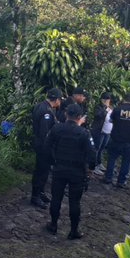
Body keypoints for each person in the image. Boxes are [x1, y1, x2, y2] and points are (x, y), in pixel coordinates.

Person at [44, 103, 96, 240]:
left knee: (56, 198)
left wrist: (52, 161)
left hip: (59, 168)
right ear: (80, 117)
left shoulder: (57, 128)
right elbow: (92, 155)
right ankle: (73, 231)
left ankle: (53, 225)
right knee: (75, 202)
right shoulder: (84, 133)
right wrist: (90, 169)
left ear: (66, 114)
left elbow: (47, 146)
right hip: (77, 172)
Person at [30, 88, 63, 208]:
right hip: (44, 146)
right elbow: (45, 133)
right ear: (57, 99)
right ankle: (35, 196)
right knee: (41, 171)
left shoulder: (42, 106)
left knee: (44, 171)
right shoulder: (47, 112)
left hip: (41, 144)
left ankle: (41, 192)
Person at [104, 93, 130, 188]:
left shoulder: (117, 109)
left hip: (116, 139)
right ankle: (121, 182)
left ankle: (108, 178)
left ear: (124, 100)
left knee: (112, 159)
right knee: (126, 162)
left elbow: (110, 121)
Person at [90, 92, 113, 175]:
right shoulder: (99, 107)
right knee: (97, 148)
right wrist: (105, 109)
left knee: (102, 148)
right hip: (99, 131)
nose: (107, 101)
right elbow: (98, 115)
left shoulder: (111, 107)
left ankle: (99, 163)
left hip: (107, 131)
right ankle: (94, 166)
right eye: (105, 99)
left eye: (108, 99)